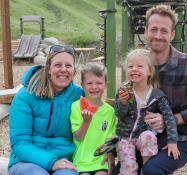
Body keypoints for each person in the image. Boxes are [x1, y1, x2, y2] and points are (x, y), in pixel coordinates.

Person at [112, 5, 187, 175]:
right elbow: (126, 113)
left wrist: (172, 119)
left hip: (181, 137)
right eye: (153, 30)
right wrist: (112, 147)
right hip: (141, 136)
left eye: (164, 31)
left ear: (172, 34)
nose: (158, 36)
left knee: (152, 170)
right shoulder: (138, 66)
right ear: (146, 32)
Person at [8, 45, 84, 175]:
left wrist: (110, 152)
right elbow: (20, 142)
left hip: (64, 161)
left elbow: (99, 120)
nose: (63, 70)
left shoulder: (79, 95)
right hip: (26, 162)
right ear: (48, 69)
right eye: (58, 65)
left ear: (74, 70)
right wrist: (52, 162)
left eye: (68, 65)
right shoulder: (26, 95)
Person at [114, 49, 179, 175]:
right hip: (125, 138)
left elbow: (169, 117)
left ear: (149, 71)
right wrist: (123, 103)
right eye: (130, 66)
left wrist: (172, 141)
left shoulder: (157, 95)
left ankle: (146, 169)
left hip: (143, 137)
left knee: (148, 136)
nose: (134, 69)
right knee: (128, 169)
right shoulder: (123, 92)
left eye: (139, 66)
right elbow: (119, 115)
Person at [70, 63, 116, 175]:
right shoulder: (76, 107)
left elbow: (110, 139)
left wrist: (110, 150)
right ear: (82, 85)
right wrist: (86, 122)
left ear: (106, 85)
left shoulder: (110, 111)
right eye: (89, 83)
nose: (94, 87)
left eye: (99, 83)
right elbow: (78, 137)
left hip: (101, 160)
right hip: (81, 161)